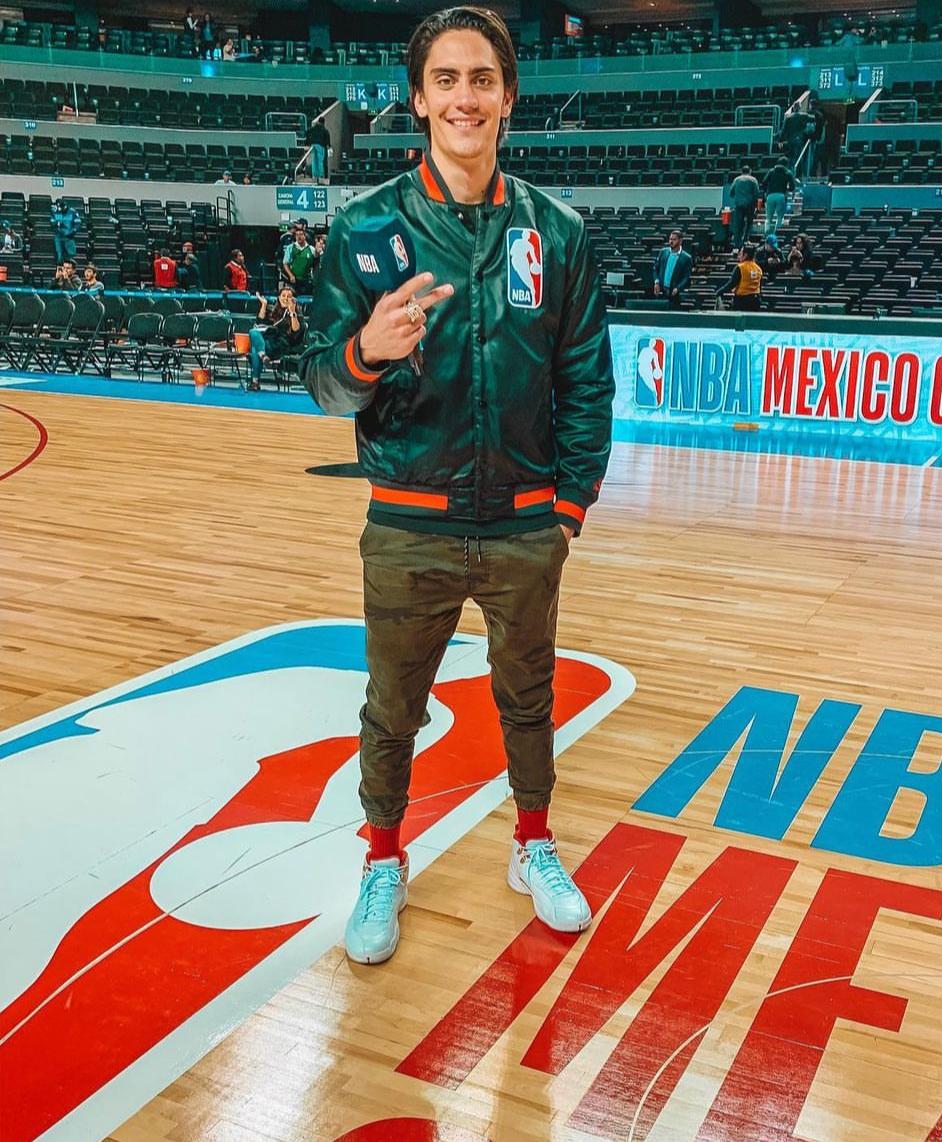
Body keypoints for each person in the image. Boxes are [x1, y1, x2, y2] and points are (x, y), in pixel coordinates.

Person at [299, 5, 614, 966]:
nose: (464, 97)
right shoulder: (365, 229)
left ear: (508, 97)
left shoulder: (558, 234)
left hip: (524, 526)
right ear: (418, 98)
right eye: (447, 80)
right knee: (392, 709)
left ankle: (533, 843)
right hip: (409, 525)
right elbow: (322, 382)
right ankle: (382, 859)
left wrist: (567, 509)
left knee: (530, 700)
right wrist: (366, 350)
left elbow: (587, 381)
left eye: (482, 79)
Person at [245, 285, 304, 390]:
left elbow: (296, 330)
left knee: (255, 348)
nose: (285, 298)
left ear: (293, 299)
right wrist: (264, 305)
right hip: (269, 343)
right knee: (253, 332)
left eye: (289, 296)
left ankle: (255, 382)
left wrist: (292, 313)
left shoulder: (297, 314)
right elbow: (259, 323)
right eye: (283, 296)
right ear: (279, 297)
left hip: (283, 346)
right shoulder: (274, 311)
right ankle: (263, 357)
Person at [715, 244, 763, 311]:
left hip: (742, 301)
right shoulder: (758, 269)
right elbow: (759, 287)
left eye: (740, 253)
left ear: (745, 255)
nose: (739, 256)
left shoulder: (740, 267)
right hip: (755, 301)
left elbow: (732, 283)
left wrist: (719, 292)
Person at [653, 229, 693, 307]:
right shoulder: (663, 252)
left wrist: (678, 288)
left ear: (680, 241)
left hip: (675, 293)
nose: (671, 241)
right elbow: (656, 269)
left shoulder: (686, 258)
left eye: (674, 239)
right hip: (661, 291)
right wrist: (656, 282)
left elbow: (686, 277)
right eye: (670, 239)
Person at [728, 164, 760, 252]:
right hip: (750, 204)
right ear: (750, 171)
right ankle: (746, 240)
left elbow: (731, 193)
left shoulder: (736, 179)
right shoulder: (753, 180)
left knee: (738, 224)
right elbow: (757, 193)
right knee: (749, 223)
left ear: (741, 172)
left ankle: (736, 244)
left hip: (738, 205)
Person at [761, 156, 797, 236]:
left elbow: (764, 183)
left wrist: (765, 192)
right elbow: (792, 187)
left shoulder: (771, 171)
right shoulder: (788, 172)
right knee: (780, 217)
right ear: (786, 164)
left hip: (770, 195)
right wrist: (788, 190)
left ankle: (766, 234)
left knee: (768, 218)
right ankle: (778, 233)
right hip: (781, 196)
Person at [282, 226, 316, 292]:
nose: (299, 237)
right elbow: (285, 263)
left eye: (301, 234)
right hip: (294, 280)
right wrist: (291, 275)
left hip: (306, 280)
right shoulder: (290, 248)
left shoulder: (311, 249)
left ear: (305, 236)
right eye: (297, 235)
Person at [306, 119, 332, 184]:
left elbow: (307, 132)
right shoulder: (324, 129)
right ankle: (320, 176)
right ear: (323, 122)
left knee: (314, 161)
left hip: (313, 145)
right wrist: (329, 145)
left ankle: (314, 176)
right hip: (320, 145)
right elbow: (327, 137)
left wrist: (308, 142)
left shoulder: (313, 128)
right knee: (320, 161)